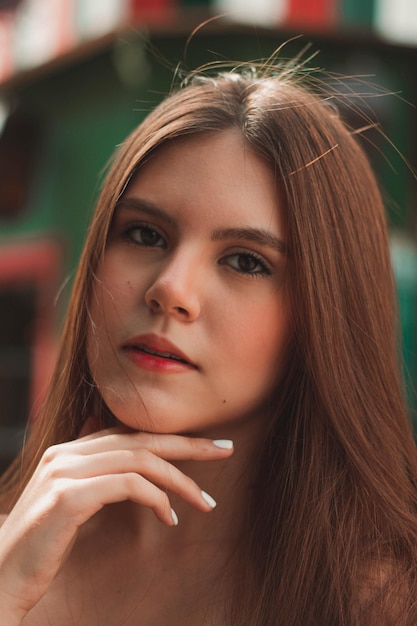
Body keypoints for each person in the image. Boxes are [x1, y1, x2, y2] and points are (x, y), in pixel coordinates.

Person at [0, 59, 416, 626]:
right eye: (145, 234)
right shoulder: (14, 549)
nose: (171, 289)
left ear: (324, 315)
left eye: (246, 261)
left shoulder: (382, 604)